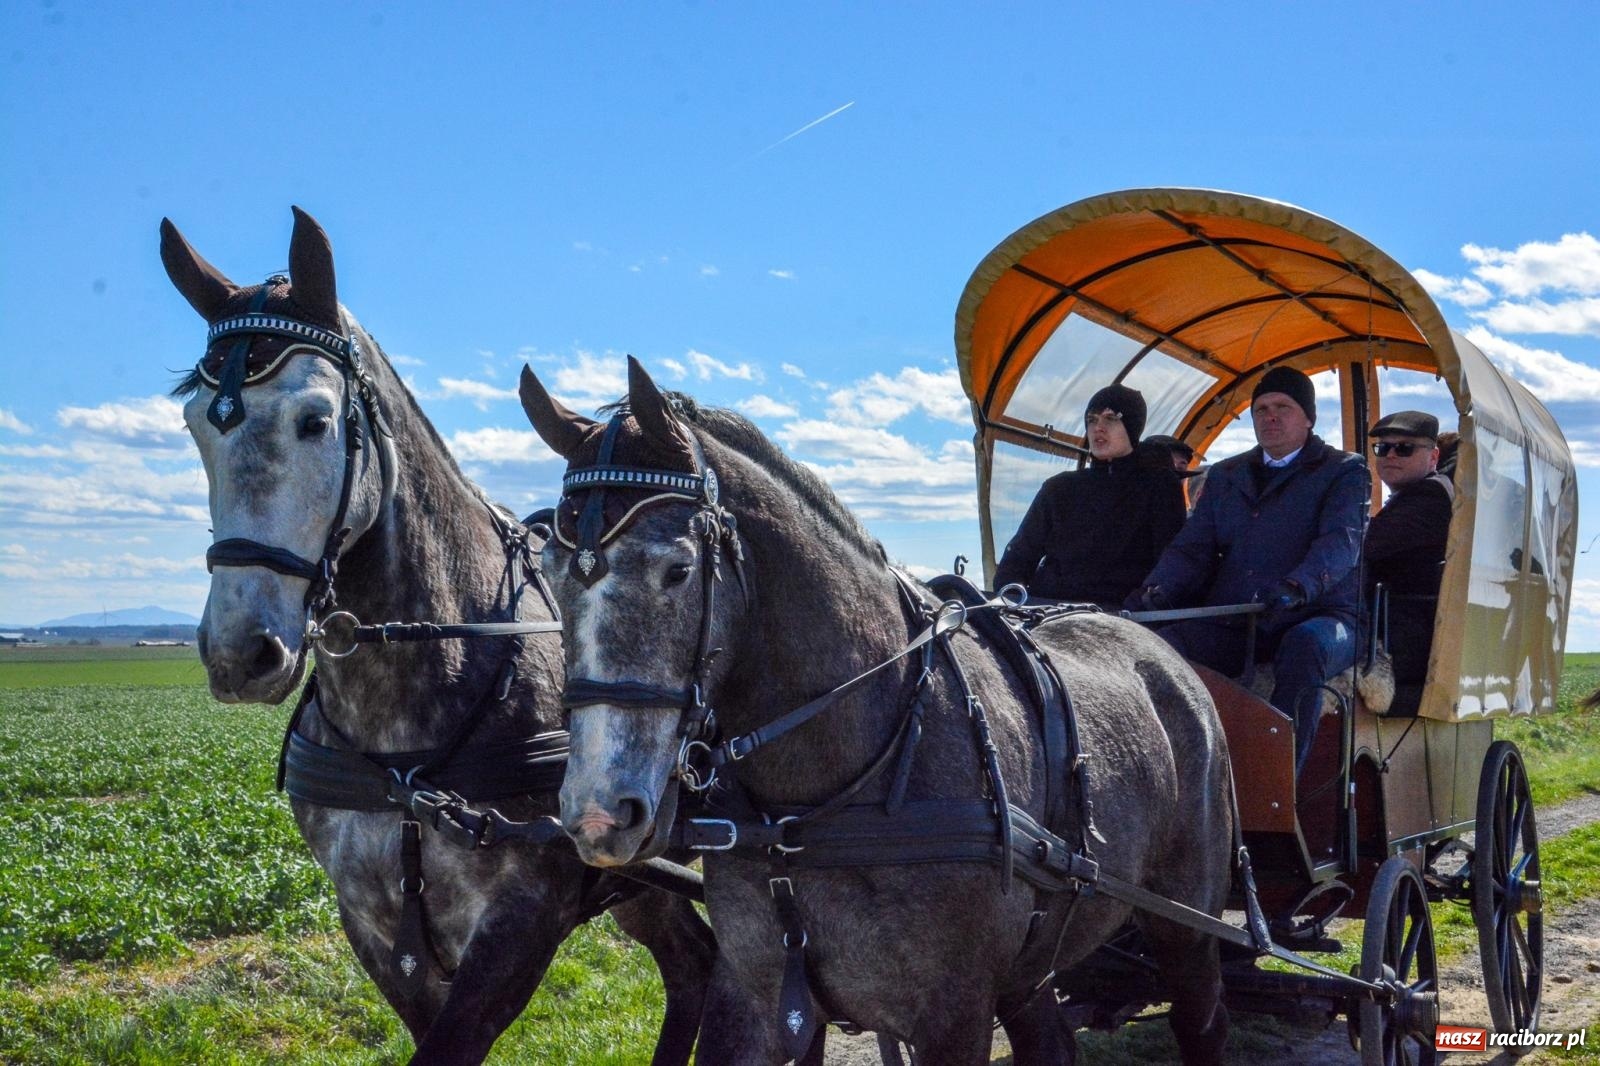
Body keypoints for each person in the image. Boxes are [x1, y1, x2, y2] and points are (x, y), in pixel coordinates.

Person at [1126, 366, 1367, 774]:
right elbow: (1192, 549)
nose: (1270, 417)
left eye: (1283, 407)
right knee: (1165, 645)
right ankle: (1166, 774)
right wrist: (1153, 593)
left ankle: (1278, 785)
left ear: (1308, 417)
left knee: (1305, 647)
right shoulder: (1225, 475)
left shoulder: (1345, 471)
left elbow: (1340, 543)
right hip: (1244, 618)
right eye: (1261, 409)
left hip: (1321, 614)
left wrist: (1296, 587)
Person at [993, 384, 1186, 610]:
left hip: (1119, 616)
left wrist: (1140, 605)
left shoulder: (1159, 488)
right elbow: (1019, 557)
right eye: (1092, 419)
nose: (1098, 428)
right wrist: (1012, 601)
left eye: (1111, 418)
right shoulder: (1058, 488)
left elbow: (1169, 565)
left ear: (1132, 426)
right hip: (1046, 609)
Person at [1364, 411, 1452, 710]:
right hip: (1391, 625)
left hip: (1404, 637)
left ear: (1433, 456)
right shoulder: (1410, 497)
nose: (1390, 455)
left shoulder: (1432, 497)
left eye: (1404, 448)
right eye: (1383, 447)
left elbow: (1366, 546)